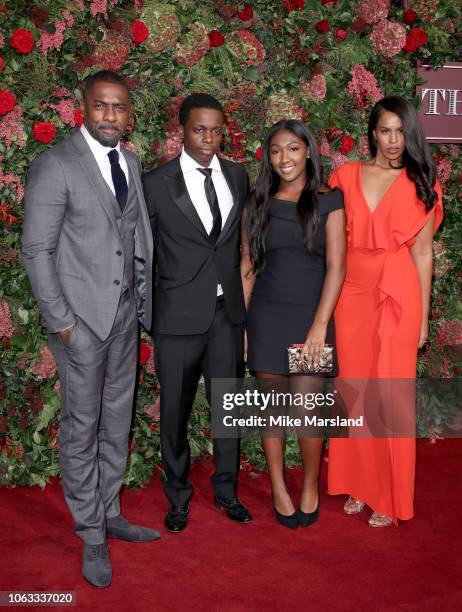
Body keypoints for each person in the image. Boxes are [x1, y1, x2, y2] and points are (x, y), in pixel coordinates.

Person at [21, 70, 160, 588]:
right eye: (101, 106)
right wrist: (63, 325)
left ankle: (110, 511)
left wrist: (143, 305)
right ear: (84, 107)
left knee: (117, 421)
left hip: (124, 320)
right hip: (79, 325)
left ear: (129, 114)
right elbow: (37, 250)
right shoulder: (56, 164)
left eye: (120, 108)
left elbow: (136, 235)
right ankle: (91, 532)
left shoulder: (128, 160)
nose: (110, 116)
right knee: (82, 428)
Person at [327, 96, 443, 527]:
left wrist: (425, 317)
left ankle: (388, 496)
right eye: (385, 130)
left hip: (398, 294)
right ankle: (359, 484)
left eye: (400, 131)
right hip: (352, 294)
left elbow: (424, 255)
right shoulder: (345, 176)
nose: (393, 140)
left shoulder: (421, 184)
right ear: (372, 133)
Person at [143, 93, 252, 533]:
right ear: (182, 130)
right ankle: (178, 496)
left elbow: (241, 242)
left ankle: (227, 492)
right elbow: (143, 252)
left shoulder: (238, 175)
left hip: (228, 315)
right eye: (199, 130)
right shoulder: (155, 182)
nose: (209, 139)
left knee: (229, 409)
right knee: (175, 412)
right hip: (176, 317)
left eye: (216, 130)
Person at [241, 120, 346, 529]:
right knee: (273, 412)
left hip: (310, 318)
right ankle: (279, 488)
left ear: (308, 152)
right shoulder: (257, 203)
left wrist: (320, 326)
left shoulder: (328, 201)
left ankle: (309, 488)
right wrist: (243, 327)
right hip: (265, 316)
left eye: (293, 149)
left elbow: (337, 268)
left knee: (306, 411)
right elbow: (247, 268)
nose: (284, 158)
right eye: (276, 151)